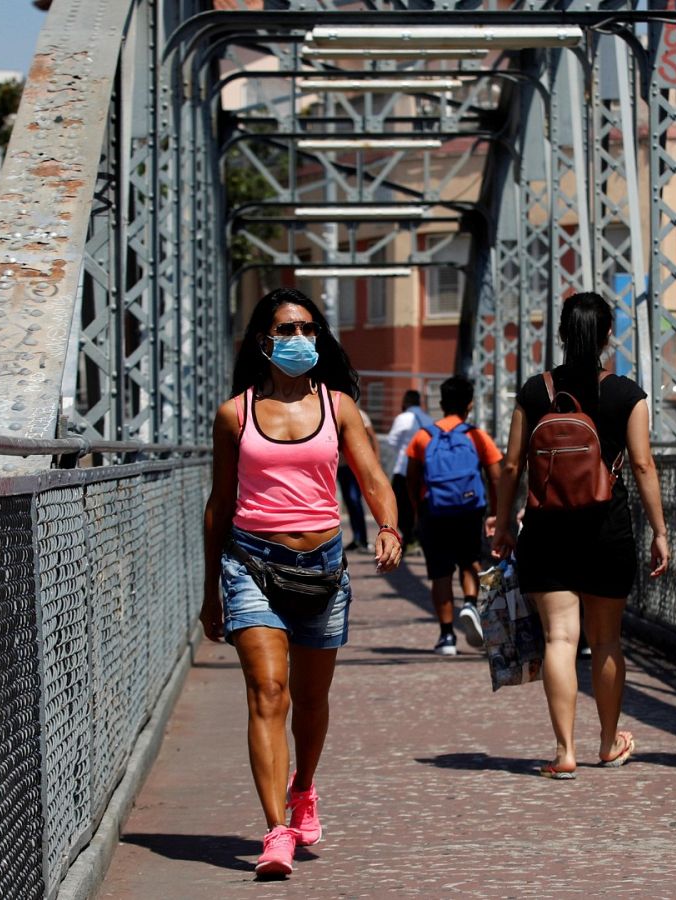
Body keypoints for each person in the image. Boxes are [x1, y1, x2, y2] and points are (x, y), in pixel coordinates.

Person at [201, 287, 403, 879]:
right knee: (269, 693)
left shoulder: (338, 406)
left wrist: (388, 525)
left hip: (322, 567)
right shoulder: (233, 414)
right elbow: (218, 505)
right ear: (263, 340)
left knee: (311, 702)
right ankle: (276, 831)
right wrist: (210, 590)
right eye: (287, 330)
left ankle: (304, 786)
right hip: (252, 564)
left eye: (309, 330)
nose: (299, 340)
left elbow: (371, 475)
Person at [491, 292, 670, 779]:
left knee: (560, 639)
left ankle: (564, 750)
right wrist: (659, 530)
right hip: (606, 529)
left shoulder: (535, 391)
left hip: (546, 530)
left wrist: (503, 521)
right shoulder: (625, 393)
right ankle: (609, 742)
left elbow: (511, 464)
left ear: (563, 335)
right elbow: (642, 463)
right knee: (607, 640)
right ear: (609, 336)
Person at [406, 376, 503, 655]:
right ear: (470, 405)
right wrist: (495, 513)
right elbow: (497, 478)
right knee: (469, 560)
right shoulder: (476, 436)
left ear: (441, 403)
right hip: (470, 510)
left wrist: (416, 509)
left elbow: (410, 478)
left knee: (440, 573)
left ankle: (447, 636)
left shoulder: (423, 437)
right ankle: (471, 603)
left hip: (433, 511)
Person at [385, 389, 433, 548]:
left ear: (405, 402)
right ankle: (418, 534)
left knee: (399, 503)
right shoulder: (429, 419)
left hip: (404, 468)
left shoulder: (403, 418)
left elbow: (392, 441)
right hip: (424, 469)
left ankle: (409, 536)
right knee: (419, 503)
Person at [335, 406, 375, 552]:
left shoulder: (359, 413)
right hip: (341, 466)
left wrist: (374, 462)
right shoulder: (330, 409)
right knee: (349, 501)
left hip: (354, 466)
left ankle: (362, 539)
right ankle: (357, 538)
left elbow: (372, 437)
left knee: (354, 499)